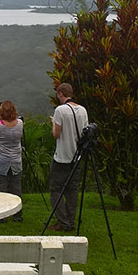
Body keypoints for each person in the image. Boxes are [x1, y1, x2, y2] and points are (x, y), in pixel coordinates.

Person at [48, 82, 88, 232]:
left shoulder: (60, 110)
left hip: (62, 157)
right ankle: (70, 222)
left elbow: (56, 134)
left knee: (55, 190)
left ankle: (62, 222)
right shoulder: (83, 110)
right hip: (76, 157)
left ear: (60, 94)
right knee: (72, 192)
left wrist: (53, 122)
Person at [0, 99, 24, 222]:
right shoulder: (19, 123)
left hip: (0, 161)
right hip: (15, 161)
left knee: (1, 189)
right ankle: (18, 215)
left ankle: (2, 216)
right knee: (16, 189)